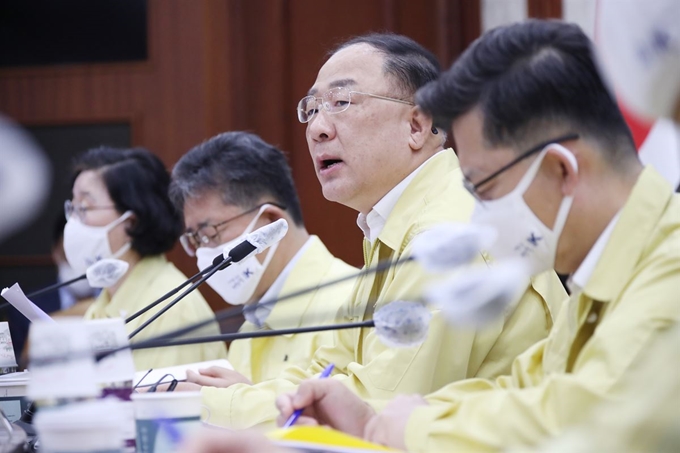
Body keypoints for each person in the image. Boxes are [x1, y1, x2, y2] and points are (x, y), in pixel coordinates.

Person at [273, 20, 680, 451]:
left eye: (484, 189)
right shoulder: (607, 267)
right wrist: (373, 419)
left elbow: (590, 423)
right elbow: (529, 389)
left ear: (561, 170)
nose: (479, 218)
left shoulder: (668, 272)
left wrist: (414, 428)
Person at [182, 32, 566, 430]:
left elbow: (373, 411)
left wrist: (208, 406)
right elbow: (327, 375)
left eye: (341, 103)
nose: (317, 129)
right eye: (311, 109)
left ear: (417, 124)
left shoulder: (447, 232)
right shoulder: (391, 226)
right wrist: (235, 400)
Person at [167, 131, 356, 387]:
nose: (204, 254)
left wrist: (239, 402)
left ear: (270, 224)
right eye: (196, 240)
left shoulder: (351, 305)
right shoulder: (250, 327)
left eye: (210, 233)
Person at [65, 146, 227, 371]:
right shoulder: (105, 302)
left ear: (131, 221)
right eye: (71, 207)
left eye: (84, 207)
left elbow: (159, 402)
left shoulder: (170, 307)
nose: (73, 221)